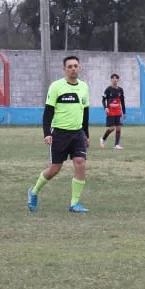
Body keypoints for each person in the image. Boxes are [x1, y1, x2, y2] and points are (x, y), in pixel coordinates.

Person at [27, 55, 91, 213]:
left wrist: (86, 135)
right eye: (69, 66)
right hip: (59, 134)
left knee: (80, 162)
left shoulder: (84, 87)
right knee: (54, 169)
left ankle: (74, 203)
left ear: (79, 67)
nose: (73, 69)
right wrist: (47, 133)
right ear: (64, 69)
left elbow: (85, 113)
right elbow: (48, 112)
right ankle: (34, 192)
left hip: (78, 133)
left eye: (75, 66)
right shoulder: (56, 87)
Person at [100, 73, 126, 149]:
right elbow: (103, 100)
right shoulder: (108, 89)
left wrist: (124, 112)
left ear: (118, 80)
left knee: (118, 128)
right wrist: (105, 107)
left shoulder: (120, 90)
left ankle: (116, 145)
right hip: (110, 111)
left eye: (116, 78)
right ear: (111, 80)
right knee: (112, 128)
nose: (115, 80)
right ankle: (103, 139)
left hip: (118, 111)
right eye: (113, 78)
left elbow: (122, 101)